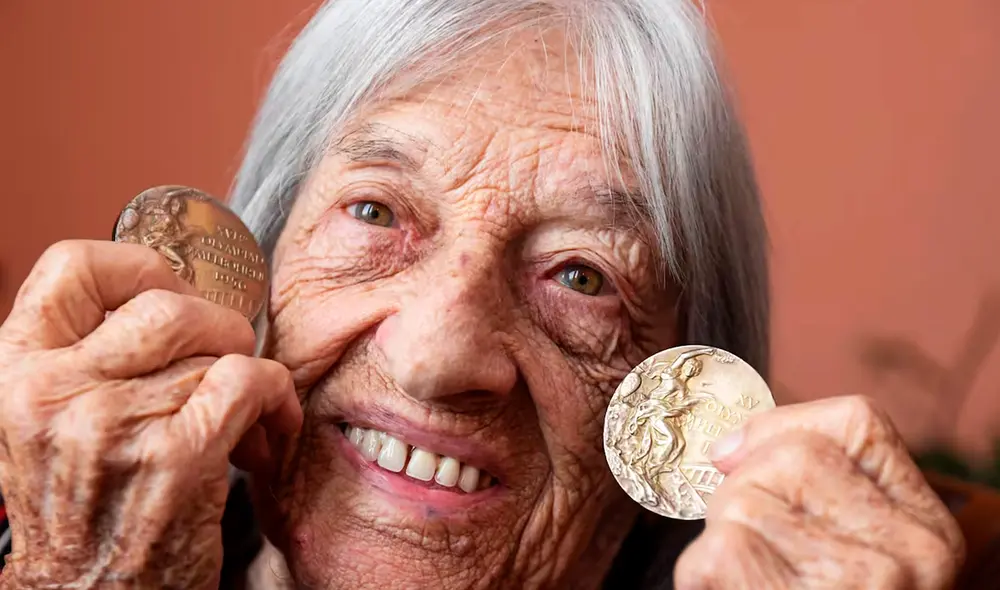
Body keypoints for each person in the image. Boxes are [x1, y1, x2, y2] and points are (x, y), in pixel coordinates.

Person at [0, 0, 964, 588]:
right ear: (260, 253)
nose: (435, 355)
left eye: (581, 275)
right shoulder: (55, 529)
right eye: (375, 213)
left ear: (691, 378)